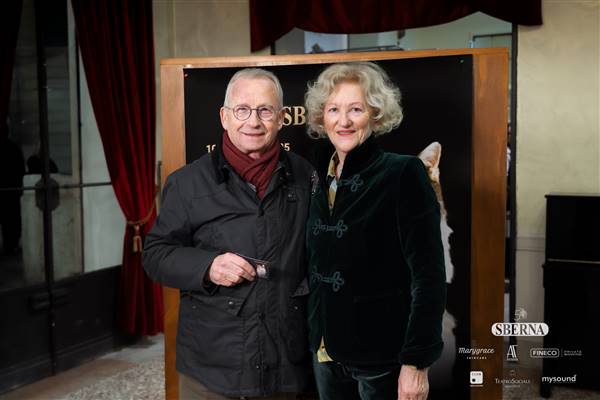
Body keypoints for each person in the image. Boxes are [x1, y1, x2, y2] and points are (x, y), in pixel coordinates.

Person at [143, 68, 313, 399]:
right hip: (212, 368)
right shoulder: (187, 183)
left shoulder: (305, 176)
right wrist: (208, 266)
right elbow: (155, 254)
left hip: (287, 365)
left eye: (265, 111)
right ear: (224, 117)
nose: (253, 121)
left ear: (281, 119)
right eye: (242, 110)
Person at [304, 62, 446, 400]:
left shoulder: (403, 173)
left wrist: (416, 362)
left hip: (382, 356)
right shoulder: (319, 177)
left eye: (356, 109)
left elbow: (428, 276)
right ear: (322, 117)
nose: (344, 120)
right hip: (325, 350)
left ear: (376, 116)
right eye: (334, 109)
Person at [0, 121, 26, 255]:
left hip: (7, 191)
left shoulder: (13, 148)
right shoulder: (13, 148)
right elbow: (20, 171)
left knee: (9, 221)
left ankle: (9, 246)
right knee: (10, 222)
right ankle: (10, 247)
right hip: (11, 192)